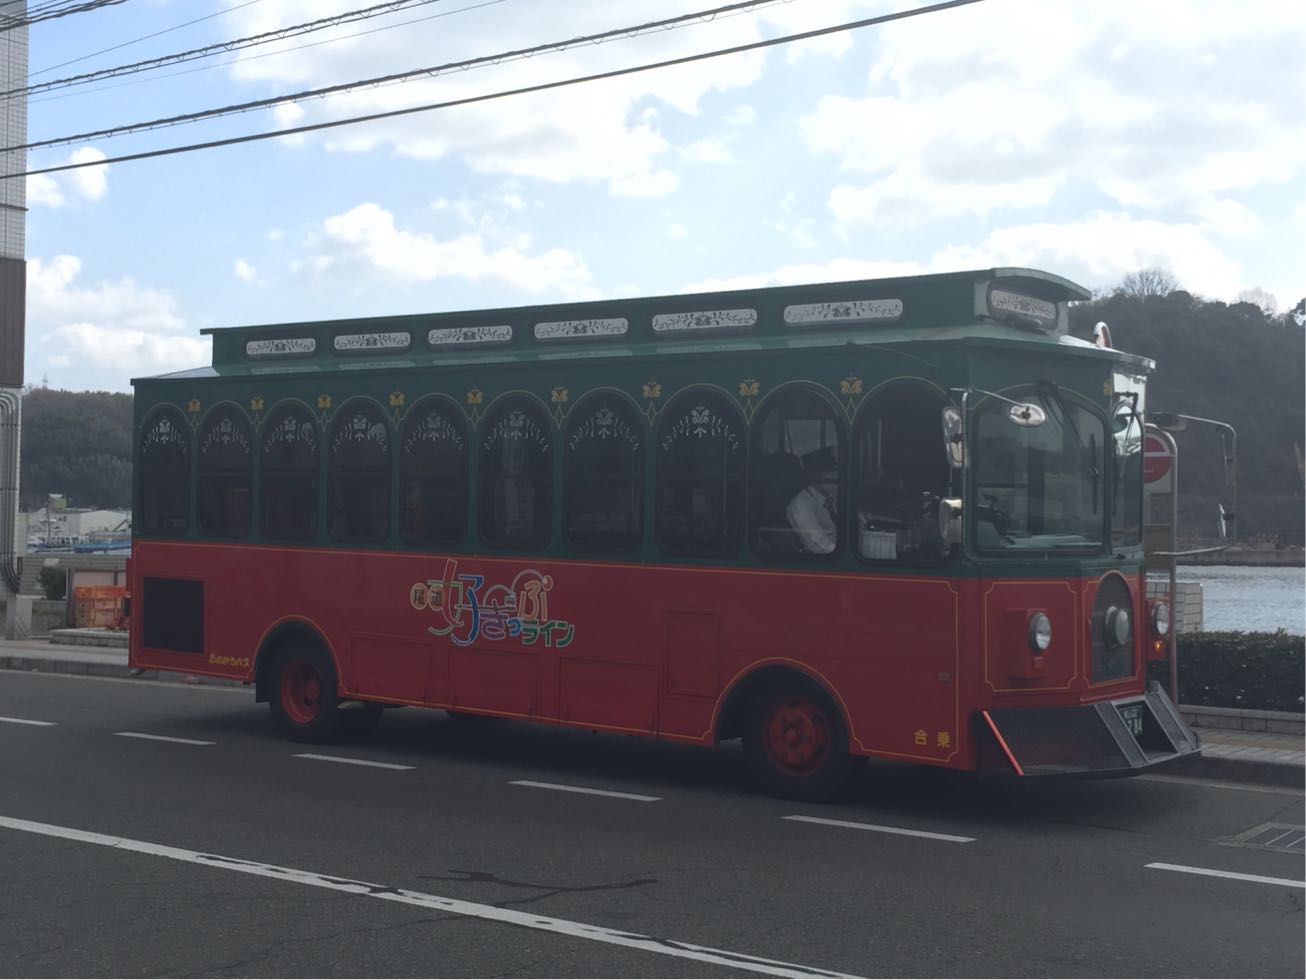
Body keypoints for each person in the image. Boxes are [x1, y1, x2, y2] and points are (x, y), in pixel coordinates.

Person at [786, 447, 838, 554]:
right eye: (828, 471)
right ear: (813, 474)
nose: (835, 476)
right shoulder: (800, 505)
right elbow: (819, 546)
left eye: (835, 470)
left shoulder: (831, 497)